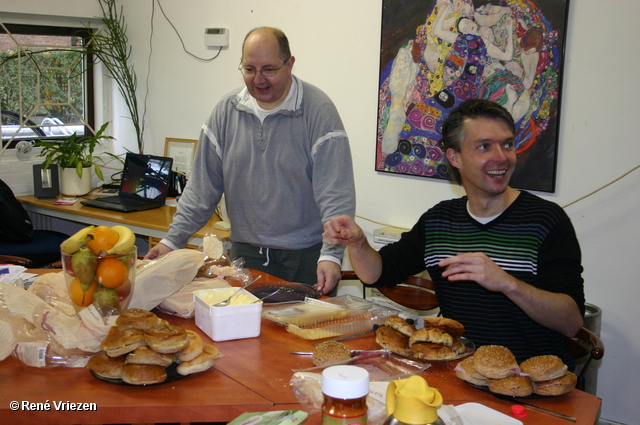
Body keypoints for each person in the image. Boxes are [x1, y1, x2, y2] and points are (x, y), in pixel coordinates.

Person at [324, 99, 584, 367]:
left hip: (529, 383)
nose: (502, 157)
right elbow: (377, 272)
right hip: (459, 373)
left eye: (507, 144)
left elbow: (572, 322)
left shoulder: (546, 220)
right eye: (485, 146)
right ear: (455, 157)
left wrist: (508, 283)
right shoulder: (439, 220)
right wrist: (357, 242)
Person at [145, 27, 355, 295]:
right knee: (243, 332)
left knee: (301, 336)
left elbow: (335, 195)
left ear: (289, 64)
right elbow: (201, 188)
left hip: (305, 257)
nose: (259, 79)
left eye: (268, 69)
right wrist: (172, 241)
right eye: (249, 69)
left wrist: (332, 256)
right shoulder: (226, 111)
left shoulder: (318, 112)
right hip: (246, 252)